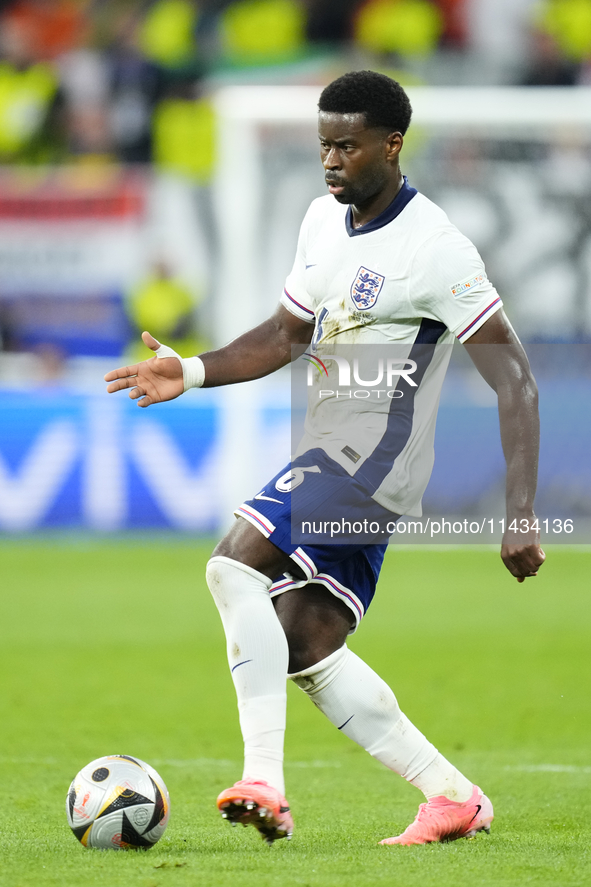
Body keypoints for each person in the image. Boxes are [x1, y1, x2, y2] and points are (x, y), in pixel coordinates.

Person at [105, 70, 546, 846]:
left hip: (370, 460)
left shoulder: (435, 248)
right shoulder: (320, 221)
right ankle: (452, 794)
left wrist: (519, 515)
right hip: (330, 451)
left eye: (347, 145)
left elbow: (513, 378)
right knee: (305, 639)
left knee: (231, 564)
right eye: (323, 145)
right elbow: (283, 337)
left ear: (391, 144)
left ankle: (264, 782)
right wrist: (194, 370)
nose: (331, 160)